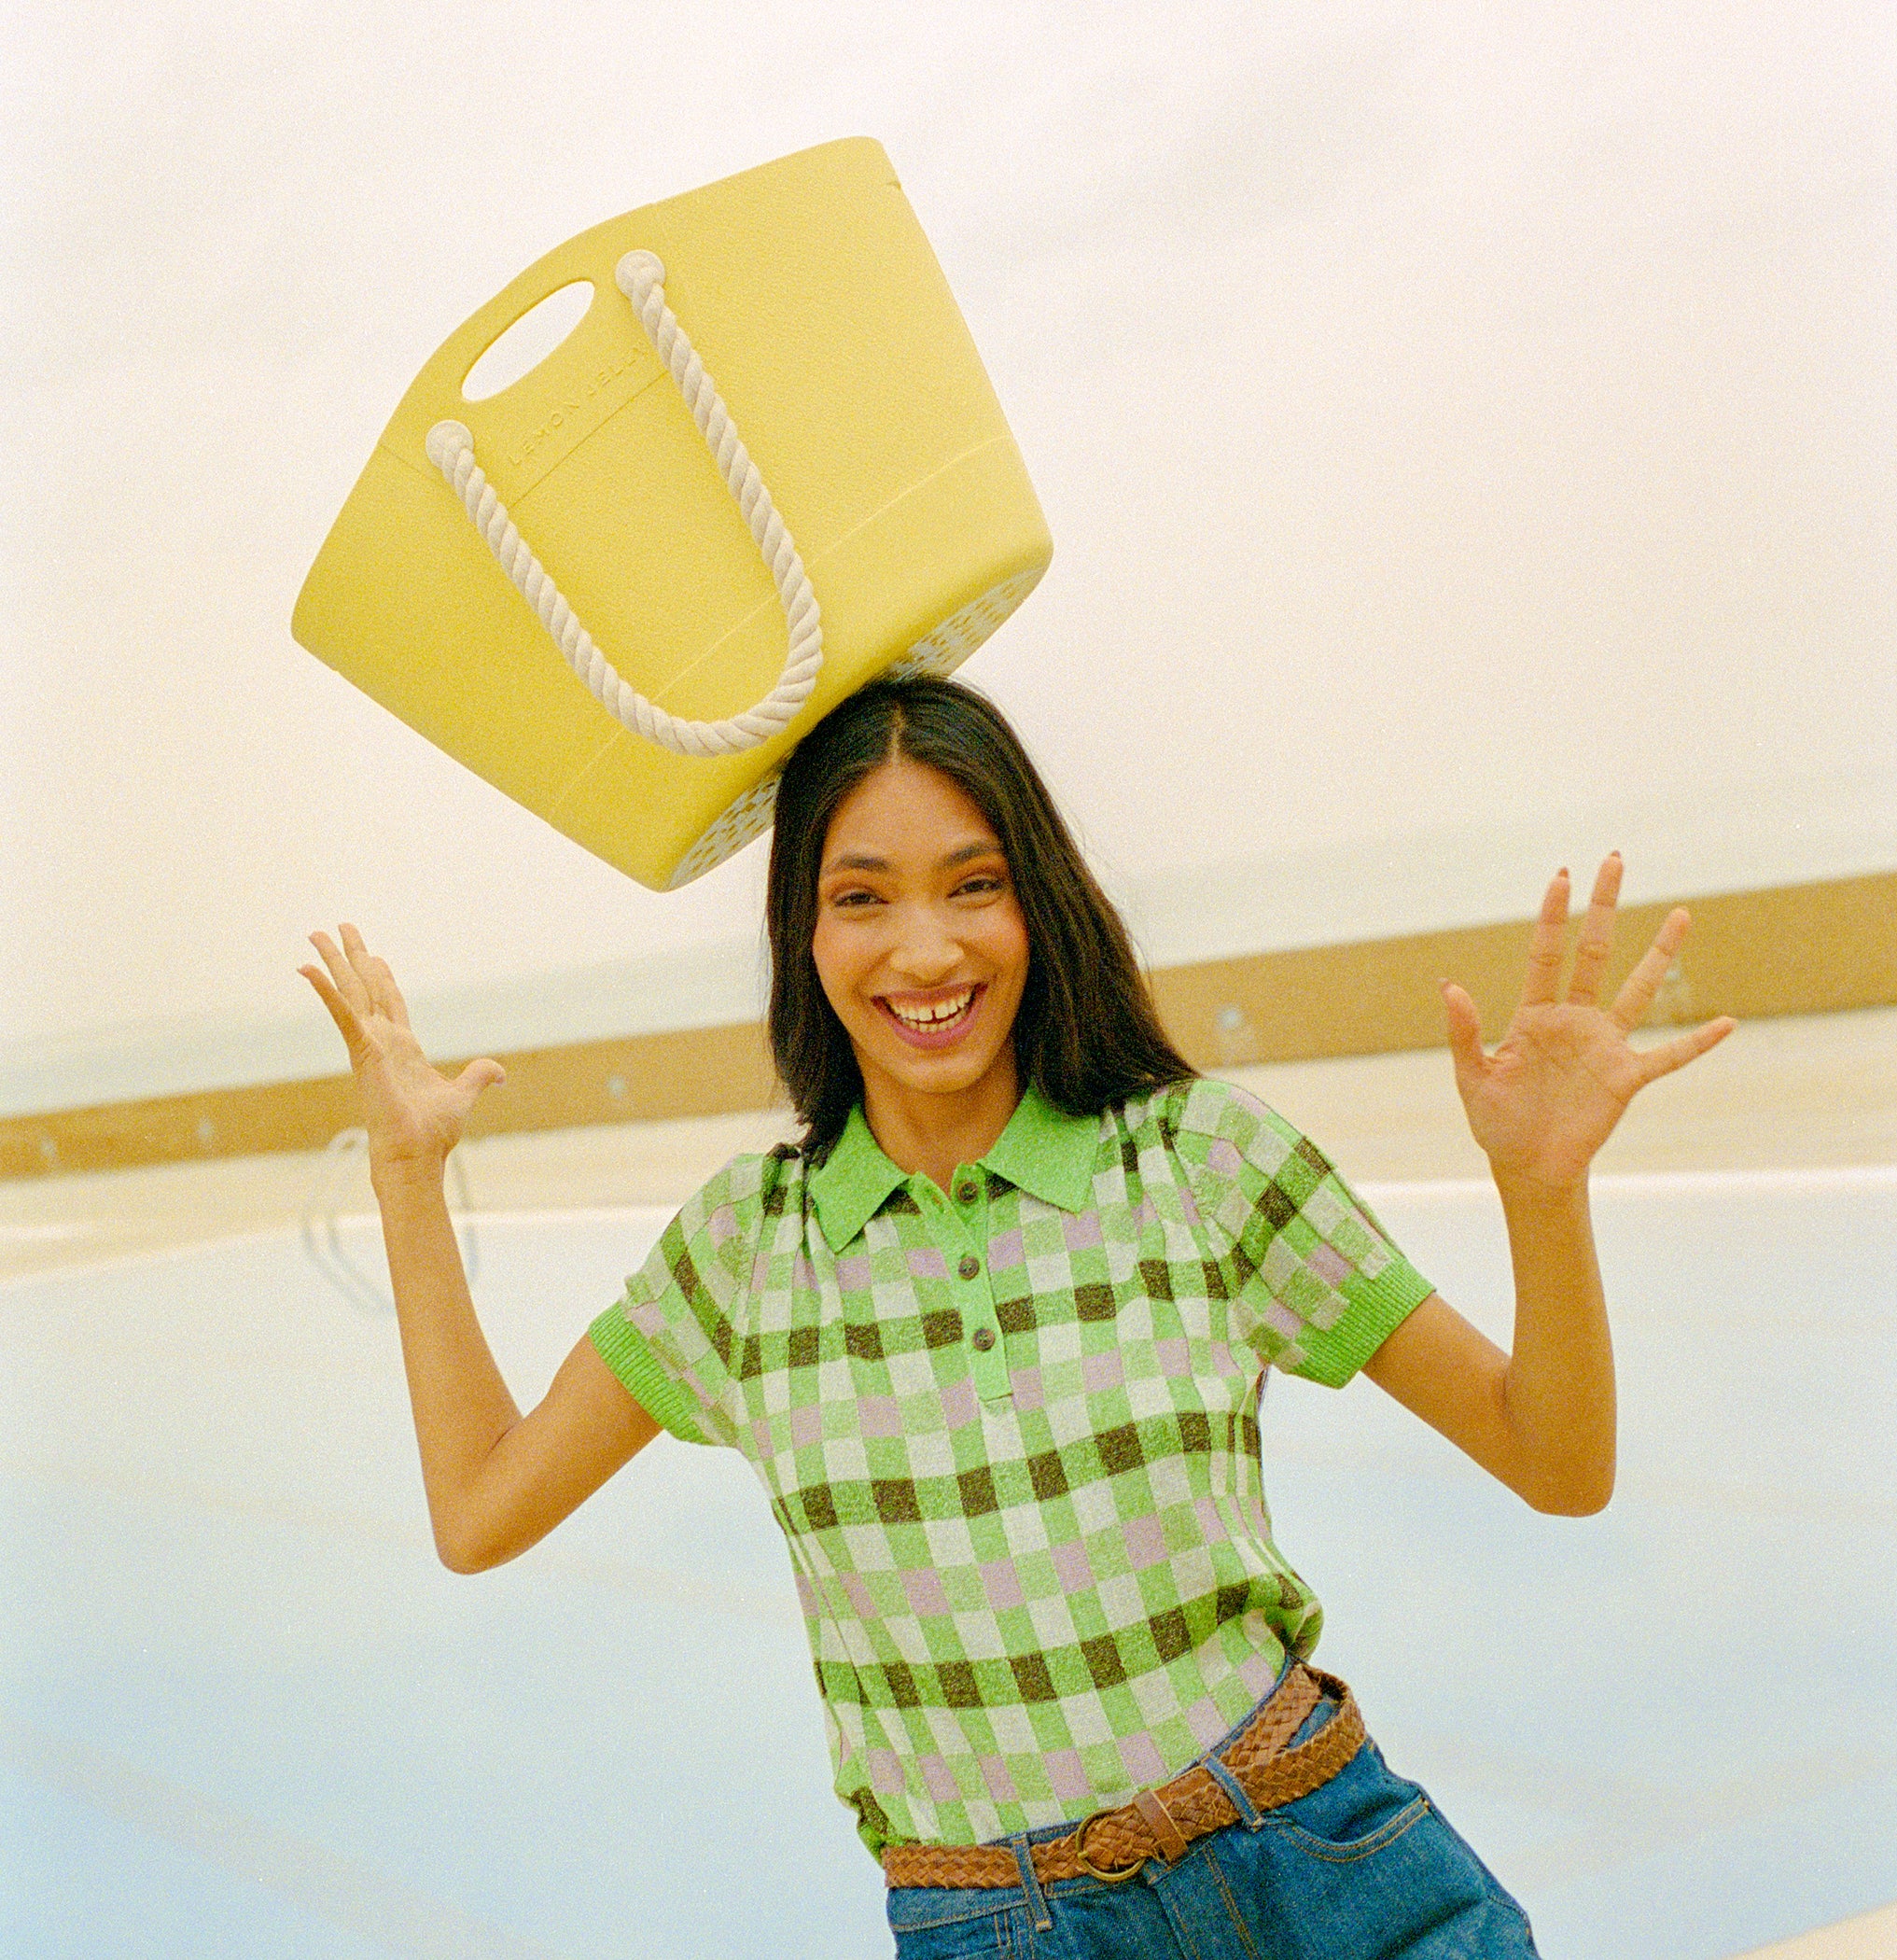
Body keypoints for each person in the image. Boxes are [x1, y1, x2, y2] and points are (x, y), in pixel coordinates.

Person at [302, 675, 1736, 1957]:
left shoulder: (1200, 1160)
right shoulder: (748, 1247)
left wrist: (1541, 1195)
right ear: (802, 934)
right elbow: (481, 1509)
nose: (925, 950)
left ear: (1036, 902)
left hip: (1318, 1866)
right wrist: (408, 1174)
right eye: (862, 896)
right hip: (1002, 1927)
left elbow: (1556, 1462)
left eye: (971, 884)